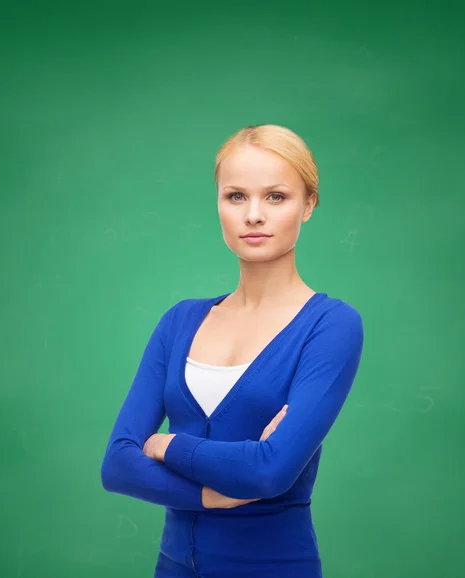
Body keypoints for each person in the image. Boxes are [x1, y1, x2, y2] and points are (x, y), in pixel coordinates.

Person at [101, 124, 365, 577]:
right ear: (219, 205)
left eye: (276, 196)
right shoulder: (179, 321)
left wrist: (168, 445)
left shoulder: (331, 325)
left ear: (309, 205)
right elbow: (117, 465)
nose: (254, 215)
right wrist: (212, 493)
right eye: (236, 196)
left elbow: (270, 473)